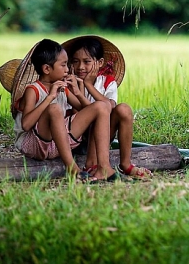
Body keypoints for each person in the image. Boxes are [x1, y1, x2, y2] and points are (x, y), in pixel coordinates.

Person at [12, 38, 120, 182]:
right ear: (46, 69)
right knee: (54, 109)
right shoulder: (33, 90)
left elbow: (90, 112)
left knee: (101, 106)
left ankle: (103, 167)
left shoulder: (63, 88)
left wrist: (77, 91)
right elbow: (26, 125)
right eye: (63, 65)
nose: (68, 69)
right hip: (35, 145)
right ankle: (72, 168)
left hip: (59, 143)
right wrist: (50, 97)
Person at [63, 35, 153, 180]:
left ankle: (125, 164)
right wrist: (78, 90)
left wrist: (88, 85)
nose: (80, 67)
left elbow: (109, 106)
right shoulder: (68, 83)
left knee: (124, 109)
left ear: (100, 62)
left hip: (102, 135)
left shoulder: (107, 82)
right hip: (76, 137)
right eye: (75, 62)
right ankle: (92, 164)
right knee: (97, 114)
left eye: (87, 62)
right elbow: (77, 113)